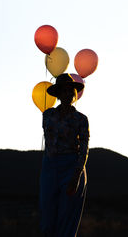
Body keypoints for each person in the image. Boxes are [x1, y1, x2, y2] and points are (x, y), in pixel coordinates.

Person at [39, 73, 90, 237]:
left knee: (66, 220)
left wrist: (76, 175)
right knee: (47, 217)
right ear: (59, 94)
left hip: (71, 168)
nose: (68, 93)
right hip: (50, 167)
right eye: (65, 90)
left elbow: (84, 148)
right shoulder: (48, 115)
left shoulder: (81, 119)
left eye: (71, 90)